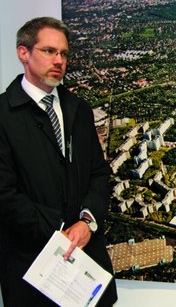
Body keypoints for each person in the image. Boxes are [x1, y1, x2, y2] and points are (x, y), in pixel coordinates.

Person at [0, 17, 118, 306]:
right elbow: (4, 195)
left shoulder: (79, 109)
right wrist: (61, 229)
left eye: (64, 53)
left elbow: (99, 174)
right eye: (49, 51)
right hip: (32, 266)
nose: (59, 60)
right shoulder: (2, 116)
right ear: (23, 53)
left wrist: (86, 223)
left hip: (85, 262)